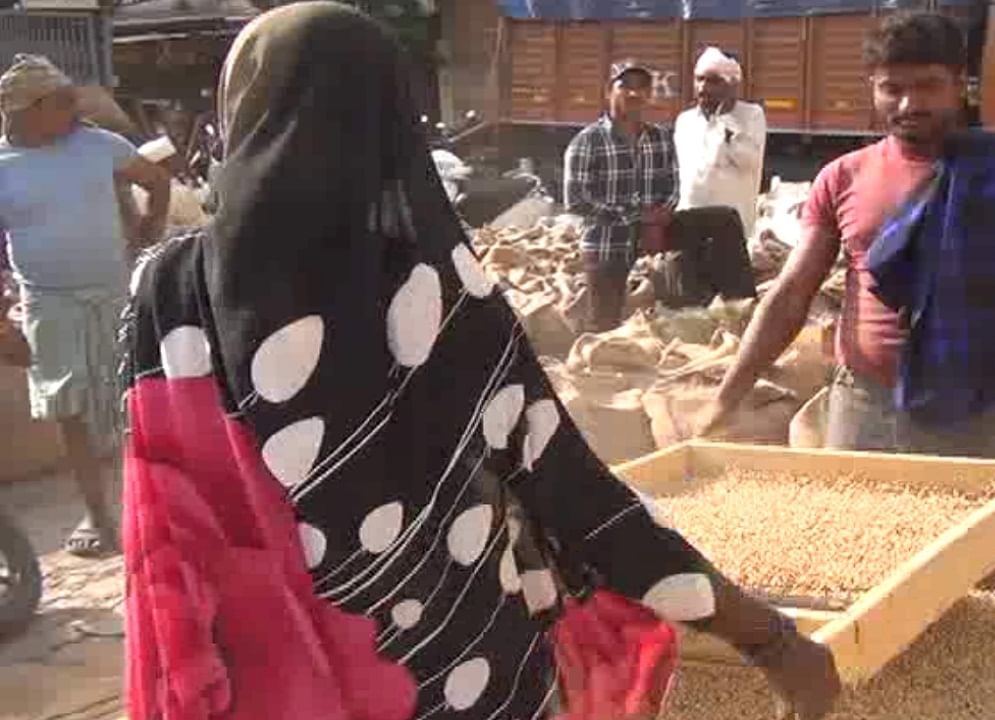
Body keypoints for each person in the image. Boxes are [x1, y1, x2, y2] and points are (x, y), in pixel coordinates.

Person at [120, 5, 839, 719]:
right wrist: (769, 639)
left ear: (239, 108)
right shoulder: (430, 289)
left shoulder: (165, 289)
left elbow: (163, 519)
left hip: (259, 685)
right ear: (388, 119)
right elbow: (573, 494)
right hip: (446, 675)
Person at [700, 12, 995, 471]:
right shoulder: (842, 178)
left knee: (976, 542)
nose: (908, 104)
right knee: (857, 539)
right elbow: (790, 296)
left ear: (959, 85)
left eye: (927, 86)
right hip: (863, 407)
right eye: (892, 88)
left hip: (970, 412)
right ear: (873, 86)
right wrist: (725, 401)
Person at [0, 54, 170, 557]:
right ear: (29, 109)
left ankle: (152, 512)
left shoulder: (99, 146)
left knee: (133, 401)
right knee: (69, 411)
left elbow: (157, 182)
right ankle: (99, 517)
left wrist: (148, 233)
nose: (74, 107)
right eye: (61, 101)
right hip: (48, 305)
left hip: (115, 295)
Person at [563, 62, 677, 331]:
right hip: (606, 246)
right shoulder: (587, 141)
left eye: (642, 88)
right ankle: (595, 370)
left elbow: (673, 186)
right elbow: (576, 200)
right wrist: (638, 215)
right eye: (625, 86)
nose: (635, 94)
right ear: (608, 92)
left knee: (657, 322)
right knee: (604, 323)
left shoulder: (660, 138)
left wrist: (657, 221)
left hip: (651, 245)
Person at [674, 47, 766, 241]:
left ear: (732, 85)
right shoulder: (686, 120)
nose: (703, 87)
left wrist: (726, 120)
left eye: (713, 81)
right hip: (688, 224)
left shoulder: (751, 116)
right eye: (699, 79)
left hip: (730, 230)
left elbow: (749, 162)